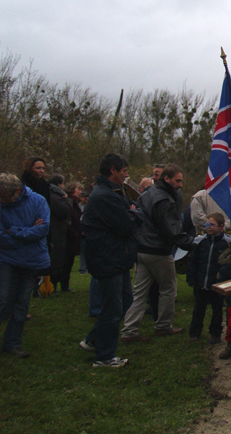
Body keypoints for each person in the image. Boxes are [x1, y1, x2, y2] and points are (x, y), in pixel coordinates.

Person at [121, 163, 195, 341]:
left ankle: (129, 330)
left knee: (139, 292)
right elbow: (172, 228)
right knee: (169, 288)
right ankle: (163, 325)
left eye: (181, 181)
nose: (180, 185)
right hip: (158, 250)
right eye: (177, 181)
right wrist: (192, 245)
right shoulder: (164, 200)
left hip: (141, 248)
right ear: (167, 179)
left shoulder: (147, 194)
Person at [80, 153, 141, 367]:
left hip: (117, 258)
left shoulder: (115, 192)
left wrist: (132, 211)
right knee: (112, 309)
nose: (126, 175)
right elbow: (127, 226)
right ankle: (104, 356)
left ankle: (93, 339)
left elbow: (131, 211)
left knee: (125, 301)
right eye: (124, 171)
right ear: (113, 170)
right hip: (108, 258)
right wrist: (134, 214)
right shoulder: (104, 196)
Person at [0, 173, 50, 358]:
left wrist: (13, 231)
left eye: (6, 198)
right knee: (2, 299)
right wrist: (28, 232)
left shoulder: (38, 201)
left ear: (18, 191)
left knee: (22, 303)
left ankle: (12, 343)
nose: (3, 202)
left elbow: (43, 229)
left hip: (30, 260)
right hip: (6, 259)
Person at [186, 213, 230, 343]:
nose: (209, 227)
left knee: (217, 310)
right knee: (198, 309)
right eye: (207, 224)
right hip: (201, 282)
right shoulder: (200, 242)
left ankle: (215, 334)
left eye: (212, 225)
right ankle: (194, 333)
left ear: (221, 227)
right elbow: (193, 262)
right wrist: (192, 279)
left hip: (217, 284)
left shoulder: (226, 243)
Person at [48, 174, 73, 292]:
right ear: (59, 184)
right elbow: (66, 211)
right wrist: (66, 198)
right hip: (56, 231)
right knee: (56, 259)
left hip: (57, 230)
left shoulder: (51, 195)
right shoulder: (56, 197)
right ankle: (51, 286)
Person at [61, 181, 84, 294]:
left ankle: (65, 284)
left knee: (69, 262)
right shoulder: (69, 203)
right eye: (78, 189)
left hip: (74, 236)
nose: (80, 192)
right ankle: (62, 285)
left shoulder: (75, 204)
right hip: (69, 237)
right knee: (65, 262)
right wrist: (75, 233)